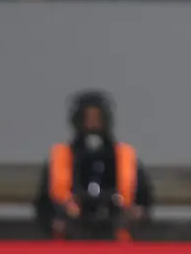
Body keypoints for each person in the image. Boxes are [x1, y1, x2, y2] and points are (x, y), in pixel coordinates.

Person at [33, 90, 153, 241]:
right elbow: (44, 204)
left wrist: (134, 214)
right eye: (87, 117)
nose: (92, 123)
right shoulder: (61, 157)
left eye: (97, 117)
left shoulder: (125, 157)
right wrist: (56, 221)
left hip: (117, 237)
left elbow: (144, 200)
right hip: (70, 236)